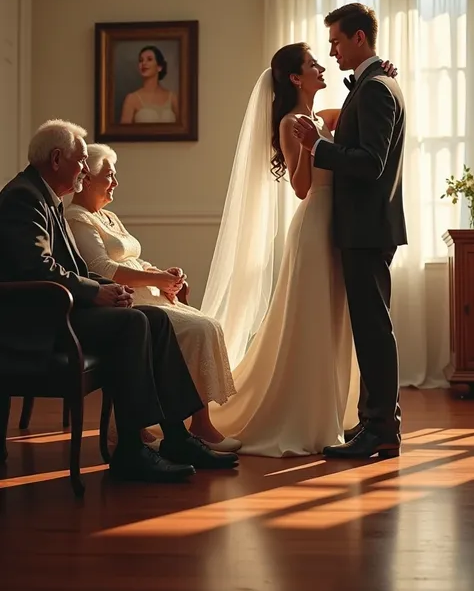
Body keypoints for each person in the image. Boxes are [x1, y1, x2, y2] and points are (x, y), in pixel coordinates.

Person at [0, 119, 238, 483]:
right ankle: (130, 448)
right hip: (38, 321)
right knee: (135, 322)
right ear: (57, 158)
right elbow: (37, 267)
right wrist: (96, 291)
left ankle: (176, 437)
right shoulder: (24, 197)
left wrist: (108, 288)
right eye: (81, 160)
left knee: (154, 319)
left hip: (59, 310)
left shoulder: (47, 195)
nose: (84, 168)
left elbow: (73, 267)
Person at [200, 38, 397, 457]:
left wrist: (384, 77)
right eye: (312, 63)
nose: (322, 66)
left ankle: (332, 410)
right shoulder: (293, 122)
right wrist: (309, 148)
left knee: (333, 322)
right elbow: (301, 186)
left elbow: (360, 126)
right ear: (295, 77)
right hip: (314, 226)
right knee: (309, 321)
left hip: (340, 227)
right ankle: (301, 415)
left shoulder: (321, 116)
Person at [65, 143, 240, 452]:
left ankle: (197, 422)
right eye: (109, 176)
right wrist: (157, 280)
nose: (116, 183)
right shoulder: (78, 219)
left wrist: (164, 276)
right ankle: (191, 425)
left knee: (207, 322)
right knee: (198, 329)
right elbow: (103, 269)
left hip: (151, 296)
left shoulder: (108, 217)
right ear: (87, 180)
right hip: (127, 302)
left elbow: (134, 260)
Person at [294, 3, 407, 459]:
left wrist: (318, 147)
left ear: (359, 38)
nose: (332, 50)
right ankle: (375, 423)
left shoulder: (377, 88)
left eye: (337, 41)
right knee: (370, 329)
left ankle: (381, 429)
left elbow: (370, 163)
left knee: (374, 330)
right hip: (365, 227)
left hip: (367, 228)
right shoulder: (376, 83)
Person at [120, 46, 178, 124]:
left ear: (159, 67)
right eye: (141, 60)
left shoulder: (173, 98)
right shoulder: (131, 99)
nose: (144, 63)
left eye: (149, 59)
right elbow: (122, 134)